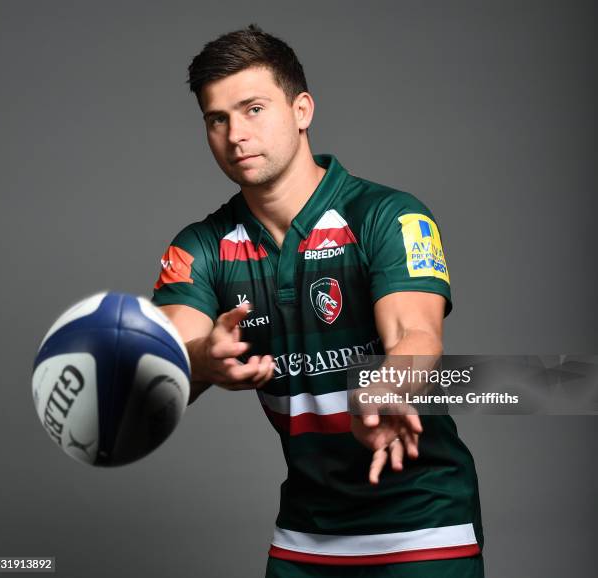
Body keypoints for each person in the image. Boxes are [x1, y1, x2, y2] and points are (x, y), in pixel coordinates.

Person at [152, 24, 484, 578]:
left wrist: (386, 386)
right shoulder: (201, 247)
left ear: (301, 109)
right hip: (307, 533)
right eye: (217, 118)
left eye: (254, 108)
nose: (236, 133)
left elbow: (415, 336)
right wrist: (201, 360)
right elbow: (158, 363)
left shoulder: (388, 216)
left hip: (425, 522)